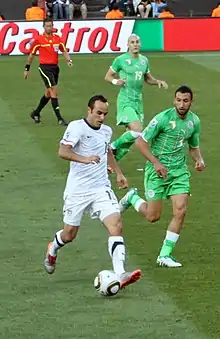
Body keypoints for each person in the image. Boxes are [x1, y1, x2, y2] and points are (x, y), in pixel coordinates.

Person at [44, 95, 142, 288]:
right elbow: (63, 151)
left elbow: (107, 152)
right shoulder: (76, 127)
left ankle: (120, 273)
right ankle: (53, 247)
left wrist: (119, 174)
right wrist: (85, 159)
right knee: (69, 234)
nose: (102, 117)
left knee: (116, 224)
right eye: (98, 113)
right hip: (78, 190)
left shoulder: (106, 131)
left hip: (100, 187)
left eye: (105, 114)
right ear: (89, 110)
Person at [118, 86, 205, 268]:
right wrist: (156, 163)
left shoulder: (194, 121)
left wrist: (199, 160)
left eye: (185, 101)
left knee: (180, 210)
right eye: (178, 100)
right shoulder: (163, 118)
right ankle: (132, 197)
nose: (181, 104)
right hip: (157, 171)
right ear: (174, 101)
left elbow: (193, 146)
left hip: (179, 172)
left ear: (191, 102)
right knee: (152, 216)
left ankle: (164, 255)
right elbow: (140, 142)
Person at [104, 34, 168, 162]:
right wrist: (116, 81)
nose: (135, 44)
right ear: (128, 45)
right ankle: (112, 146)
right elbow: (108, 76)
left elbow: (147, 79)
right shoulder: (120, 60)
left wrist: (157, 81)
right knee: (137, 130)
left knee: (132, 135)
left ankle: (112, 162)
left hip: (138, 102)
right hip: (125, 100)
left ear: (140, 44)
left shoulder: (144, 60)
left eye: (137, 42)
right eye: (132, 42)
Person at [24, 17, 72, 126]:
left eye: (50, 26)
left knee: (48, 94)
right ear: (43, 27)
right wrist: (27, 68)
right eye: (47, 26)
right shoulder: (39, 40)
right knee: (54, 91)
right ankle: (59, 118)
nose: (49, 28)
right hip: (44, 68)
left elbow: (63, 50)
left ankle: (36, 113)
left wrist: (68, 60)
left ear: (53, 26)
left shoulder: (57, 39)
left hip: (55, 68)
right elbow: (32, 54)